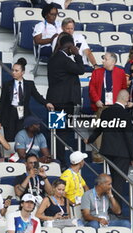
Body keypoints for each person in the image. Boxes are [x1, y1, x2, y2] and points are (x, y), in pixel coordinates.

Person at [86, 90, 133, 206]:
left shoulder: (106, 112)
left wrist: (90, 139)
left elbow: (99, 129)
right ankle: (116, 209)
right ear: (126, 99)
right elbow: (128, 136)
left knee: (113, 179)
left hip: (108, 151)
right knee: (118, 182)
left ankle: (111, 206)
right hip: (122, 153)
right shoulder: (125, 114)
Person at [46, 34, 84, 169]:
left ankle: (59, 159)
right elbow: (81, 70)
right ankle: (60, 162)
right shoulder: (63, 59)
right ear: (69, 47)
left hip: (56, 100)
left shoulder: (54, 58)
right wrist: (77, 55)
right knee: (61, 132)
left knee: (58, 131)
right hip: (63, 102)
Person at [0, 58, 54, 142]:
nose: (13, 72)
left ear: (22, 72)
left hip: (23, 113)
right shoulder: (7, 84)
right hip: (10, 113)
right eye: (13, 70)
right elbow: (2, 103)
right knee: (9, 137)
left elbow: (37, 96)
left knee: (22, 136)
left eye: (16, 71)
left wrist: (46, 103)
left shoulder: (29, 84)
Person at [88, 52, 127, 163]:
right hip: (101, 107)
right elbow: (92, 88)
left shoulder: (120, 72)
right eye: (103, 59)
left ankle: (113, 155)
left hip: (115, 108)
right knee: (98, 132)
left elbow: (124, 89)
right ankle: (98, 157)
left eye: (105, 59)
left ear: (113, 61)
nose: (103, 61)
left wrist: (120, 103)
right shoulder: (97, 72)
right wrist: (96, 100)